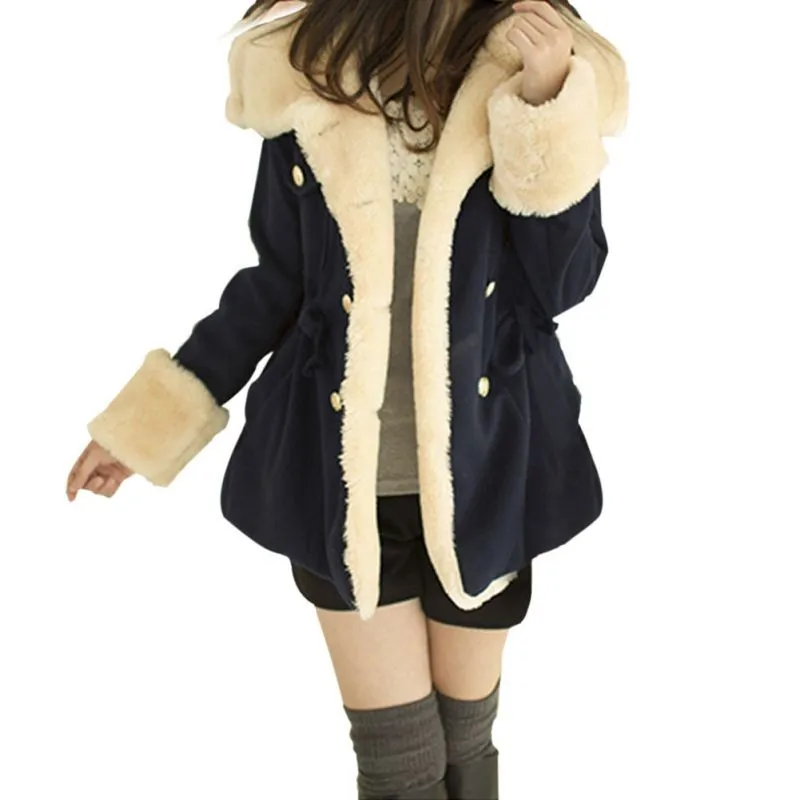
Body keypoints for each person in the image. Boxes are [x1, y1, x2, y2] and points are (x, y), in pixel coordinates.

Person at [66, 1, 627, 797]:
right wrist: (144, 431)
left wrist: (544, 106)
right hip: (338, 484)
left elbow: (562, 286)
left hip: (490, 473)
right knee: (402, 767)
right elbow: (276, 284)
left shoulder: (535, 69)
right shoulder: (308, 70)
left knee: (465, 748)